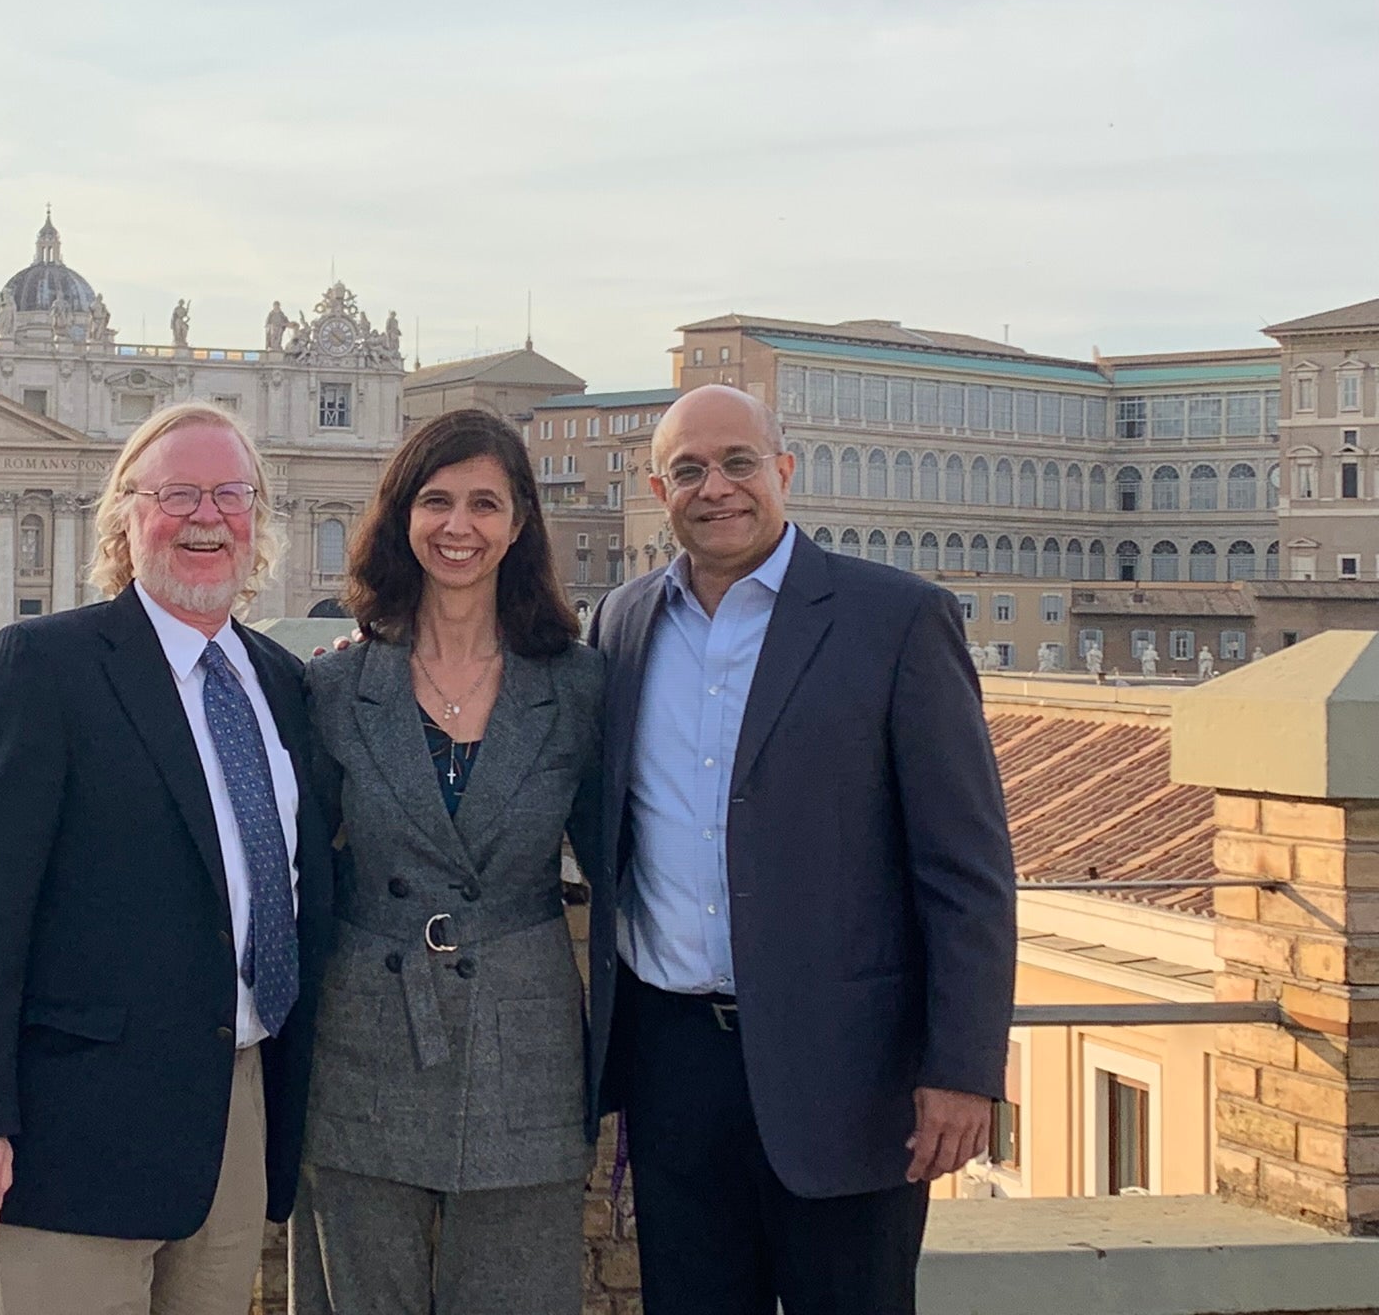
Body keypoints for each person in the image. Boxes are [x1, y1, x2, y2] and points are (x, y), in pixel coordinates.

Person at [587, 385, 1016, 1315]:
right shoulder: (620, 625)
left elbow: (967, 871)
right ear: (660, 487)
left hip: (851, 1076)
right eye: (689, 470)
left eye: (739, 462)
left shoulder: (896, 621)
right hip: (673, 1067)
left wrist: (964, 1069)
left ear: (782, 472)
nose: (716, 488)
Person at [0, 401, 332, 1315]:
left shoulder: (282, 683)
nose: (206, 516)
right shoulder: (44, 666)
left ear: (258, 521)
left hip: (236, 1112)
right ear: (125, 517)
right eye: (177, 493)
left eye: (232, 494)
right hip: (75, 1132)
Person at [293, 407, 602, 1315]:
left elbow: (626, 866)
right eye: (436, 501)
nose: (458, 527)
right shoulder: (336, 685)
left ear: (519, 524)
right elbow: (297, 865)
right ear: (401, 518)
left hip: (530, 1040)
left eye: (483, 503)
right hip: (365, 1040)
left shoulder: (580, 685)